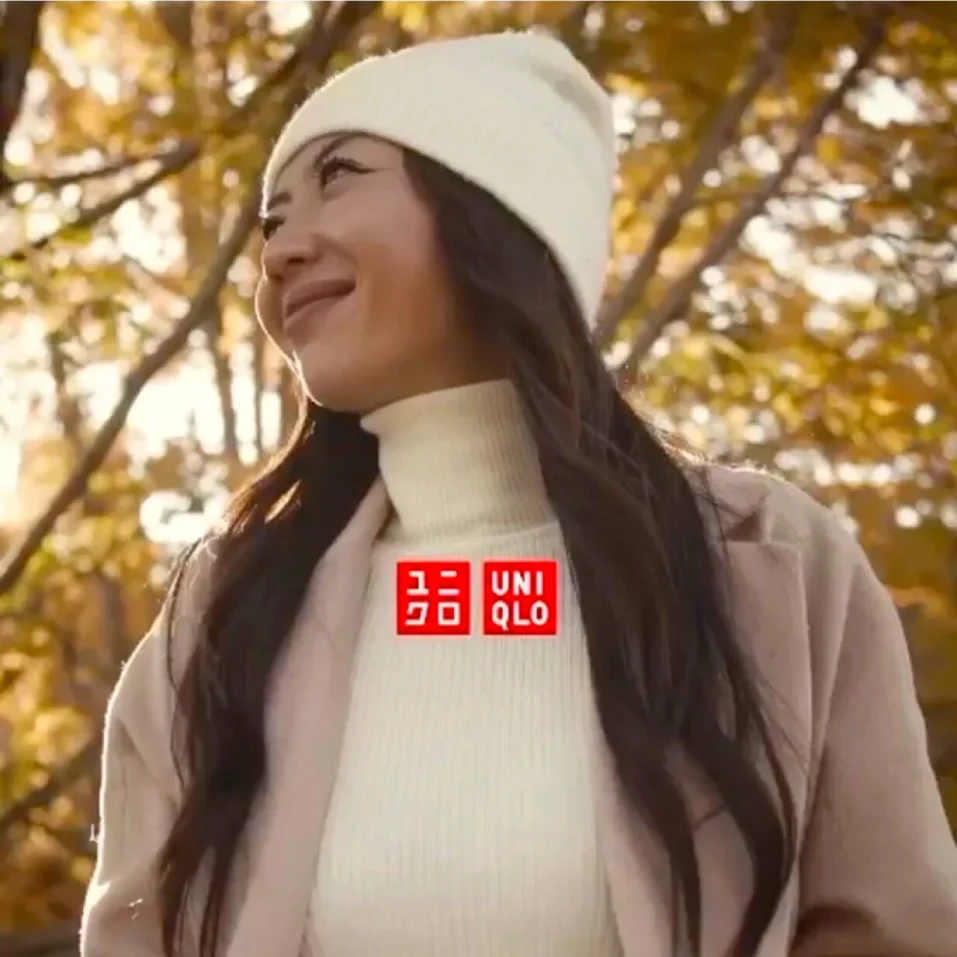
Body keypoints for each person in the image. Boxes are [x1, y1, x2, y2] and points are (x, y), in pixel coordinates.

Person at [80, 30, 957, 957]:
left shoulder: (771, 570)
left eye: (339, 175)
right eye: (272, 222)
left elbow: (890, 930)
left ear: (493, 208)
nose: (283, 251)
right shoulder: (221, 616)